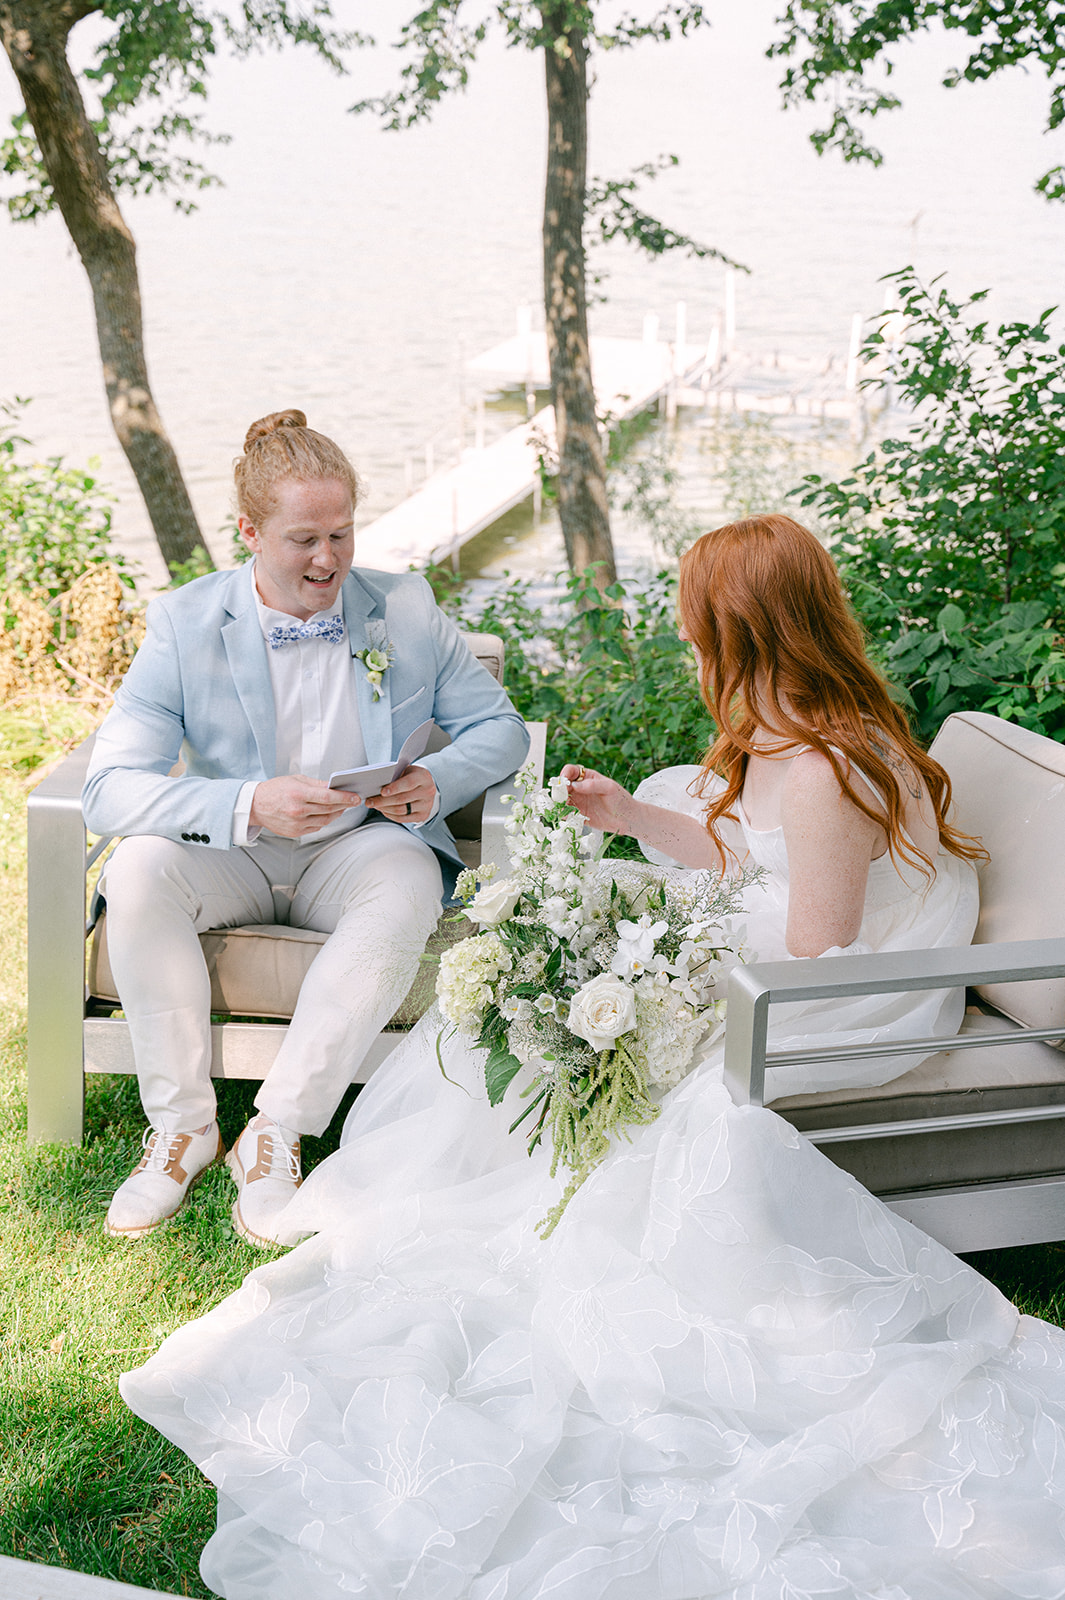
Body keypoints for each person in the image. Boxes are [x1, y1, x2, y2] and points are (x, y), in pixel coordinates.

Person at [121, 516, 1065, 1598]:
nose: (684, 638)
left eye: (698, 623)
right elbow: (750, 858)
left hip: (833, 1001)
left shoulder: (823, 764)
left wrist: (664, 964)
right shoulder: (783, 730)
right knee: (546, 1020)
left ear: (744, 630)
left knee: (612, 1063)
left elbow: (813, 945)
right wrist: (628, 824)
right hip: (788, 961)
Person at [84, 409, 529, 1248]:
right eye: (303, 540)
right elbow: (110, 791)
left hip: (358, 848)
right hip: (232, 850)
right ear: (249, 531)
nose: (328, 560)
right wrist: (247, 802)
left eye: (342, 534)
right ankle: (183, 1130)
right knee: (137, 869)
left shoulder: (404, 605)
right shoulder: (182, 623)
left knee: (404, 880)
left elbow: (500, 730)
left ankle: (276, 1129)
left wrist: (436, 779)